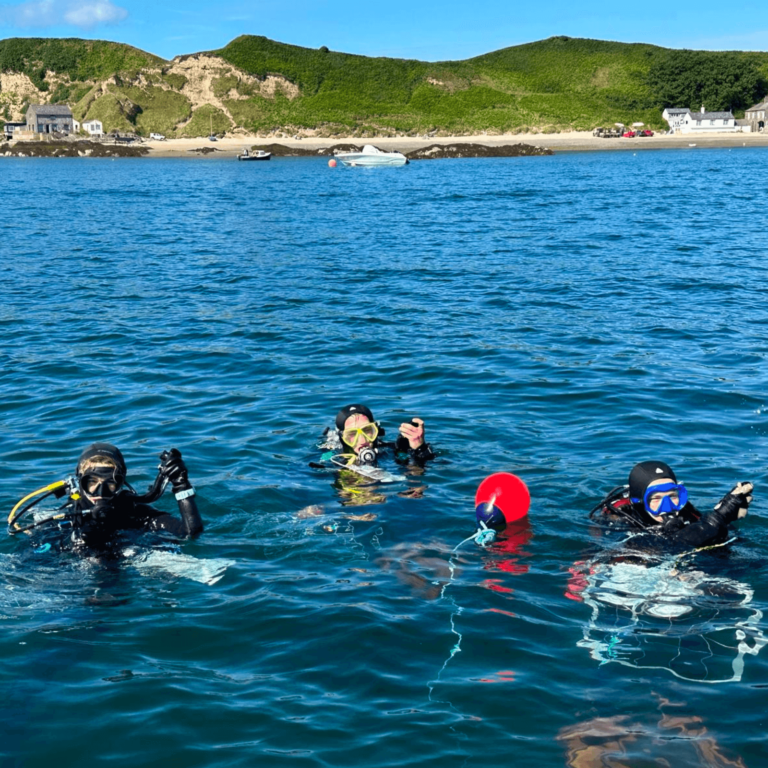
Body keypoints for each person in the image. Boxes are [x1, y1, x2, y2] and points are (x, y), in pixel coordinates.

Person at [11, 442, 203, 552]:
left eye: (110, 483)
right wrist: (73, 541)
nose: (100, 492)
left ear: (122, 482)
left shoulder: (136, 513)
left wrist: (181, 486)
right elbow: (30, 558)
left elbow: (190, 534)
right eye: (92, 482)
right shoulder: (67, 519)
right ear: (79, 481)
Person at [591, 459, 752, 549]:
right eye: (655, 498)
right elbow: (665, 549)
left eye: (673, 496)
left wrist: (727, 520)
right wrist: (718, 518)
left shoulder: (684, 509)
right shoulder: (619, 520)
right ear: (638, 502)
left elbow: (712, 533)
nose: (667, 507)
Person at [319, 403, 435, 468]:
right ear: (342, 438)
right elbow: (315, 467)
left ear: (377, 431)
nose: (362, 439)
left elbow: (419, 472)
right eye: (352, 434)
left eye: (367, 430)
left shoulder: (389, 450)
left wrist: (419, 448)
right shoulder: (332, 455)